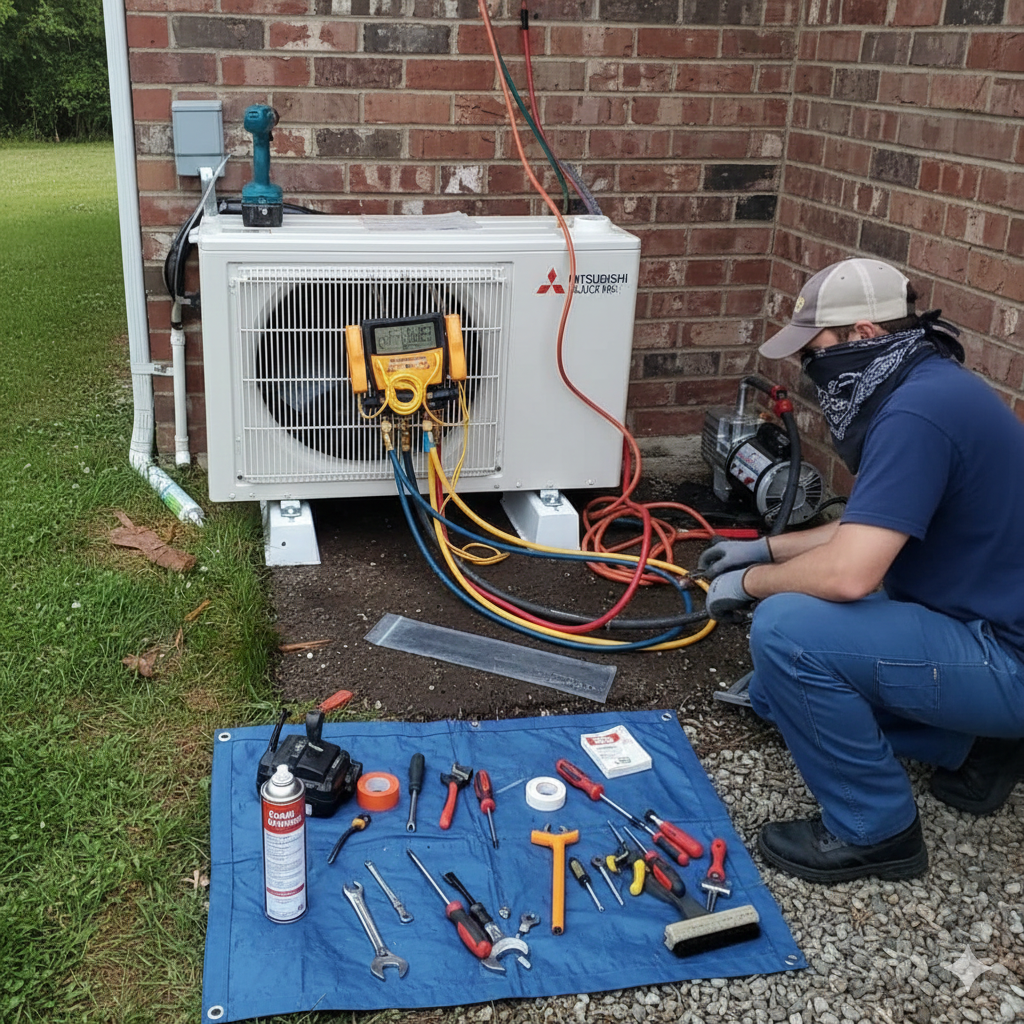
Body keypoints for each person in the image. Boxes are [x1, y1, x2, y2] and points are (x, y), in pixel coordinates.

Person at [699, 257, 1024, 883]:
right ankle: (976, 741)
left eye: (817, 352)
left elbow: (851, 573)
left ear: (866, 335)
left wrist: (749, 586)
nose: (814, 372)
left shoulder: (914, 415)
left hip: (1003, 655)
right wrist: (763, 550)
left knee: (786, 632)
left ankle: (875, 831)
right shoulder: (929, 386)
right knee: (772, 693)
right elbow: (865, 530)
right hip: (978, 623)